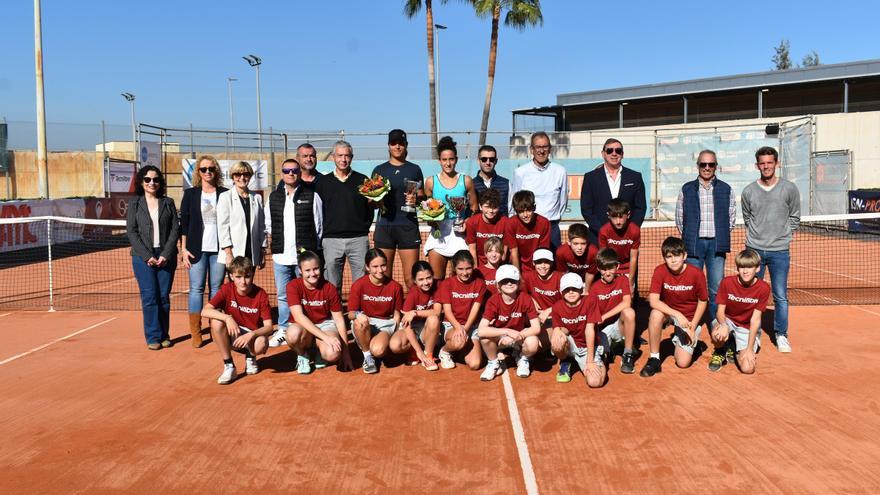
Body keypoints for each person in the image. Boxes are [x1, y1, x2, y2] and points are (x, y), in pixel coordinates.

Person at [741, 146, 800, 353]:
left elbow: (794, 216)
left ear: (777, 163)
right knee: (749, 293)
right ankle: (749, 333)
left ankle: (781, 334)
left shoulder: (789, 188)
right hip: (754, 250)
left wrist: (784, 236)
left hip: (780, 251)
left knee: (780, 295)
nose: (766, 166)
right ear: (757, 165)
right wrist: (757, 237)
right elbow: (747, 218)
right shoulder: (748, 190)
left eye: (769, 162)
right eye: (762, 163)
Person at [265, 158, 323, 348]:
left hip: (303, 258)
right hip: (281, 256)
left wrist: (311, 251)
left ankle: (308, 328)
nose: (291, 173)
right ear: (282, 173)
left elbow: (318, 226)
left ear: (299, 172)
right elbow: (268, 224)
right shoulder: (273, 197)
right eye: (287, 170)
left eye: (294, 170)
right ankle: (283, 328)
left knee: (306, 294)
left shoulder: (312, 195)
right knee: (283, 294)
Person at [675, 149, 736, 325]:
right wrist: (690, 236)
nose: (707, 168)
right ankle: (689, 325)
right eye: (703, 164)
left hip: (717, 245)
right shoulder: (687, 189)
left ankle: (716, 324)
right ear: (698, 166)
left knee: (716, 289)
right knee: (691, 288)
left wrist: (721, 235)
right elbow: (680, 219)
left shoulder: (726, 189)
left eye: (711, 164)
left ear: (716, 166)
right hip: (694, 245)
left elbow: (731, 217)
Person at [640, 237, 709, 378]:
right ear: (664, 258)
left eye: (677, 255)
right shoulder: (660, 271)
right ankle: (654, 358)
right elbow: (653, 301)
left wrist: (692, 326)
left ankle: (692, 346)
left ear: (685, 256)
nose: (673, 260)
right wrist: (677, 314)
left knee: (683, 363)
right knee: (655, 314)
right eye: (669, 256)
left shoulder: (696, 274)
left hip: (689, 318)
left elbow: (703, 301)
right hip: (669, 313)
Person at [127, 165, 179, 350]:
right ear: (141, 182)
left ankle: (164, 335)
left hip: (166, 257)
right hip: (143, 258)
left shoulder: (168, 202)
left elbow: (175, 229)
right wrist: (147, 255)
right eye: (148, 180)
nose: (152, 183)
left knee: (163, 297)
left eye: (156, 179)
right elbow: (132, 232)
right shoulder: (134, 203)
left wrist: (166, 254)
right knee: (149, 297)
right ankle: (153, 337)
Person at [315, 141, 377, 292]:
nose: (343, 159)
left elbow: (371, 207)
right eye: (340, 155)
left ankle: (358, 314)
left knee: (360, 284)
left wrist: (363, 227)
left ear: (352, 157)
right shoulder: (322, 182)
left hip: (358, 240)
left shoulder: (363, 181)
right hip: (331, 241)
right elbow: (317, 211)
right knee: (332, 284)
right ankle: (334, 314)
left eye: (347, 156)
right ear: (333, 157)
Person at [179, 155, 227, 348]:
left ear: (216, 171)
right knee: (196, 289)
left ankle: (215, 327)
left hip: (219, 250)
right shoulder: (190, 194)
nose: (208, 172)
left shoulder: (225, 193)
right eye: (203, 169)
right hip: (196, 250)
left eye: (211, 169)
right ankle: (196, 332)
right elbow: (185, 224)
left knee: (216, 290)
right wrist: (183, 249)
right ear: (198, 172)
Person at [201, 256, 273, 385]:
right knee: (216, 321)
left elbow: (269, 327)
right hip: (233, 333)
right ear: (232, 276)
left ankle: (251, 357)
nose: (243, 282)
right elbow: (205, 311)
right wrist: (227, 318)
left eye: (247, 276)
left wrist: (252, 334)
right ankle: (229, 366)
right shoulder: (227, 289)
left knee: (261, 342)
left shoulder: (261, 294)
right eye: (239, 277)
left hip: (252, 337)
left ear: (252, 275)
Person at [284, 250, 352, 374]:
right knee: (292, 334)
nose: (313, 274)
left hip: (325, 325)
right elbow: (298, 317)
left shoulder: (329, 288)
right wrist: (326, 338)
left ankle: (319, 351)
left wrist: (346, 353)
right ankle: (303, 354)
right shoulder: (293, 286)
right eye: (307, 270)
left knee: (333, 353)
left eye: (315, 269)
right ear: (300, 271)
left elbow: (340, 321)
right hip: (303, 327)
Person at [372, 129, 425, 289]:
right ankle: (386, 313)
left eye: (401, 143)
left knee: (411, 279)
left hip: (408, 227)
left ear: (406, 146)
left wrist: (416, 199)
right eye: (394, 143)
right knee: (383, 276)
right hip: (385, 227)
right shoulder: (379, 170)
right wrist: (377, 200)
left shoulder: (415, 169)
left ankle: (413, 313)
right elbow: (372, 201)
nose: (397, 147)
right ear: (388, 146)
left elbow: (422, 197)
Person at [423, 136, 479, 279]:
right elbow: (427, 209)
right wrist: (431, 219)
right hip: (438, 234)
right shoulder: (430, 182)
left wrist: (466, 223)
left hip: (459, 234)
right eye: (444, 160)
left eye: (451, 159)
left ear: (456, 159)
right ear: (439, 161)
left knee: (462, 280)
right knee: (436, 281)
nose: (448, 163)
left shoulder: (466, 180)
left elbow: (474, 207)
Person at [708, 249, 770, 374]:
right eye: (742, 267)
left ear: (757, 268)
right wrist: (724, 325)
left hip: (746, 327)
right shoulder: (727, 283)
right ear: (737, 268)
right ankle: (720, 351)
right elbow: (720, 311)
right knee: (717, 334)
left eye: (749, 267)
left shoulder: (763, 288)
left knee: (747, 368)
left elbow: (755, 319)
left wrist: (749, 348)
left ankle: (733, 346)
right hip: (728, 321)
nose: (745, 271)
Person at [478, 264, 541, 380]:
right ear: (498, 285)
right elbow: (481, 330)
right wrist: (507, 332)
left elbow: (536, 328)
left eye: (513, 280)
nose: (509, 284)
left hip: (519, 335)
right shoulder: (493, 301)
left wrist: (518, 336)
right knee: (485, 338)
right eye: (504, 281)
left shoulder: (525, 298)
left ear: (518, 282)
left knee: (533, 342)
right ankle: (493, 363)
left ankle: (523, 358)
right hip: (501, 337)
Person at [580, 138, 647, 245]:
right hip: (598, 238)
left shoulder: (635, 177)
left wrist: (630, 231)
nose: (614, 154)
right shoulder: (590, 178)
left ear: (622, 154)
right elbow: (586, 209)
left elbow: (640, 208)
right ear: (603, 154)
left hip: (626, 239)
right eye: (610, 150)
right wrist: (603, 231)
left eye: (618, 151)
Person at [348, 249, 404, 374]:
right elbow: (351, 313)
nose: (380, 270)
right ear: (367, 267)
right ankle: (367, 357)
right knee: (359, 322)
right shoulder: (358, 285)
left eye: (383, 265)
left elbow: (396, 314)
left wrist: (396, 333)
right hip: (365, 324)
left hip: (385, 325)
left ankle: (376, 347)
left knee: (378, 350)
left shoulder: (395, 287)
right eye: (375, 266)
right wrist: (359, 314)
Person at [510, 132, 568, 250]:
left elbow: (563, 201)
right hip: (527, 229)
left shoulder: (560, 171)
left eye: (545, 147)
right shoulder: (520, 172)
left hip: (552, 228)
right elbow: (514, 201)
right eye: (538, 147)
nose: (542, 151)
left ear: (550, 149)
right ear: (531, 149)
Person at [549, 273, 605, 387]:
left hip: (587, 347)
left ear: (581, 290)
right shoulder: (557, 307)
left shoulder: (590, 301)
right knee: (556, 338)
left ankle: (602, 360)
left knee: (595, 382)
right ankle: (565, 360)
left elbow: (590, 330)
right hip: (571, 344)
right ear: (561, 291)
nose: (570, 292)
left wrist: (590, 361)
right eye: (567, 289)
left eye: (574, 288)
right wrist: (557, 332)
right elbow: (560, 329)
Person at [587, 248, 637, 374]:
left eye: (610, 268)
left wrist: (604, 316)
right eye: (604, 269)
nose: (607, 272)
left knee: (629, 312)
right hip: (603, 330)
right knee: (604, 358)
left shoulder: (622, 280)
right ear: (598, 269)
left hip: (619, 326)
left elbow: (626, 303)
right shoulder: (595, 288)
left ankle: (628, 354)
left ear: (617, 267)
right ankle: (614, 347)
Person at [436, 250, 488, 370]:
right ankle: (444, 351)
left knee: (475, 364)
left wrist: (465, 329)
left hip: (471, 326)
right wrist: (459, 328)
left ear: (473, 266)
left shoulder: (480, 284)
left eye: (468, 268)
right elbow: (447, 312)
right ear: (454, 268)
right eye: (460, 269)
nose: (465, 273)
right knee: (459, 342)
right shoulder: (447, 284)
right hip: (452, 325)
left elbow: (475, 309)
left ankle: (459, 351)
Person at [217, 161, 266, 269]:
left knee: (248, 283)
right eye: (238, 174)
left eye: (246, 174)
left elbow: (262, 226)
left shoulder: (257, 198)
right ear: (233, 177)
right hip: (234, 253)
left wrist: (262, 251)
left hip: (252, 252)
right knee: (235, 284)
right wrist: (228, 254)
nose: (242, 177)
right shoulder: (225, 197)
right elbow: (223, 227)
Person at [394, 261, 442, 371]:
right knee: (395, 345)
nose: (426, 282)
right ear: (415, 281)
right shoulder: (413, 293)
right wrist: (418, 351)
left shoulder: (439, 286)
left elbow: (437, 312)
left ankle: (428, 355)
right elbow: (406, 324)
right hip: (412, 328)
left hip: (429, 329)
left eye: (428, 278)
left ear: (433, 276)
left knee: (433, 319)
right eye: (421, 280)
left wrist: (415, 312)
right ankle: (415, 351)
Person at [598, 198, 641, 294]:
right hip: (610, 267)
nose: (618, 221)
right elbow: (604, 258)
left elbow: (634, 258)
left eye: (621, 217)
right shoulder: (604, 231)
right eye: (614, 217)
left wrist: (630, 283)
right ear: (608, 216)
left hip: (627, 267)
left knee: (629, 298)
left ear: (628, 215)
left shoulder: (635, 230)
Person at [505, 190, 551, 273]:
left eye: (528, 210)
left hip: (537, 267)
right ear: (516, 210)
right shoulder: (510, 223)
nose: (525, 215)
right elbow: (514, 252)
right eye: (521, 211)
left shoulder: (544, 223)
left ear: (534, 208)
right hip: (518, 266)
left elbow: (542, 252)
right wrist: (518, 275)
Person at [465, 188, 508, 267]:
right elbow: (472, 251)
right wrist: (476, 271)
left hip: (499, 264)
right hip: (479, 264)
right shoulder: (472, 222)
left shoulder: (505, 222)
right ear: (480, 206)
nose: (491, 210)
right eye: (487, 207)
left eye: (494, 207)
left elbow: (503, 255)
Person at [522, 248, 562, 328]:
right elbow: (520, 295)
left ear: (551, 263)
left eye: (546, 262)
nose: (543, 266)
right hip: (535, 317)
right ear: (533, 263)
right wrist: (530, 299)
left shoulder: (560, 277)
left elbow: (567, 301)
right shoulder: (527, 276)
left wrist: (549, 310)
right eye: (539, 262)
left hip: (555, 317)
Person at [555, 223, 598, 288]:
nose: (579, 248)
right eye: (576, 244)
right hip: (571, 279)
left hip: (589, 280)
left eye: (583, 244)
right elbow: (562, 273)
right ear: (569, 242)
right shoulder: (561, 252)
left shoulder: (593, 252)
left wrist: (586, 290)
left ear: (588, 242)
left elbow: (590, 273)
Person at [472, 145, 510, 217]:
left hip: (502, 227)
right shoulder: (471, 184)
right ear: (478, 160)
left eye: (491, 159)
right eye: (484, 159)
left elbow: (511, 211)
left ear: (496, 161)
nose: (488, 162)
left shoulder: (506, 184)